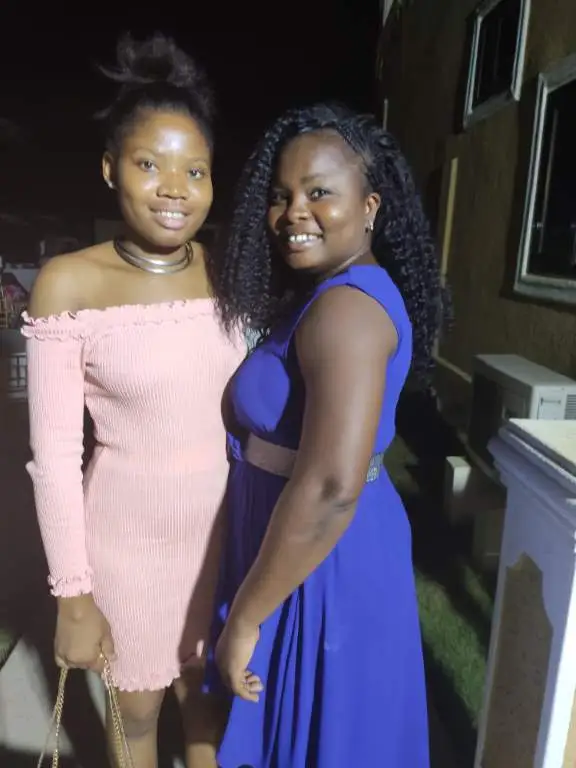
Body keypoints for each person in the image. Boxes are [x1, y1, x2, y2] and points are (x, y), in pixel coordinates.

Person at [22, 33, 245, 768]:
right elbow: (55, 460)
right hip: (130, 545)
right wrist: (73, 595)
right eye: (150, 164)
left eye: (194, 170)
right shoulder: (69, 283)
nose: (174, 187)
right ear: (110, 167)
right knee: (139, 718)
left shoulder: (231, 273)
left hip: (223, 536)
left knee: (209, 707)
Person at [204, 103, 447, 767]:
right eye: (281, 196)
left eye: (318, 192)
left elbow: (334, 485)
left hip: (323, 559)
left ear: (369, 207)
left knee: (325, 740)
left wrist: (246, 619)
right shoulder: (324, 293)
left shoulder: (348, 309)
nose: (293, 213)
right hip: (299, 543)